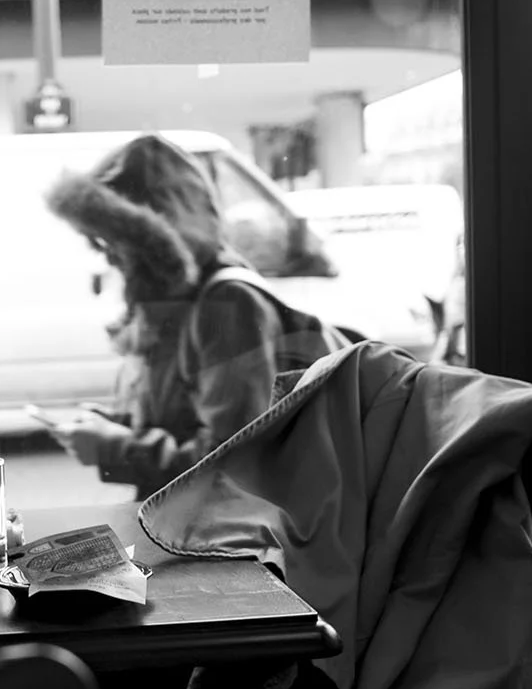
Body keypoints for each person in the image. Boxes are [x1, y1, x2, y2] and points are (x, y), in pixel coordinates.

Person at [43, 134, 348, 500]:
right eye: (99, 241)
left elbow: (232, 459)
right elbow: (185, 417)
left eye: (115, 240)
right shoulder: (173, 302)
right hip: (188, 525)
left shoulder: (227, 307)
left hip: (233, 539)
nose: (107, 257)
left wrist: (116, 447)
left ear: (156, 240)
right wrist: (115, 427)